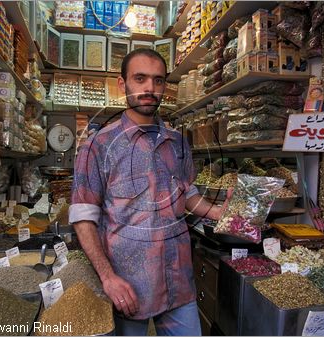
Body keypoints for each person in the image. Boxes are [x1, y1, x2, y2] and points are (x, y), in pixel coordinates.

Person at [69, 49, 230, 336]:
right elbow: (83, 217)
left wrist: (219, 212)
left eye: (158, 81)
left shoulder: (178, 142)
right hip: (128, 286)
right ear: (123, 85)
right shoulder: (99, 146)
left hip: (178, 282)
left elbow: (187, 193)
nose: (149, 88)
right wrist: (108, 278)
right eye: (140, 78)